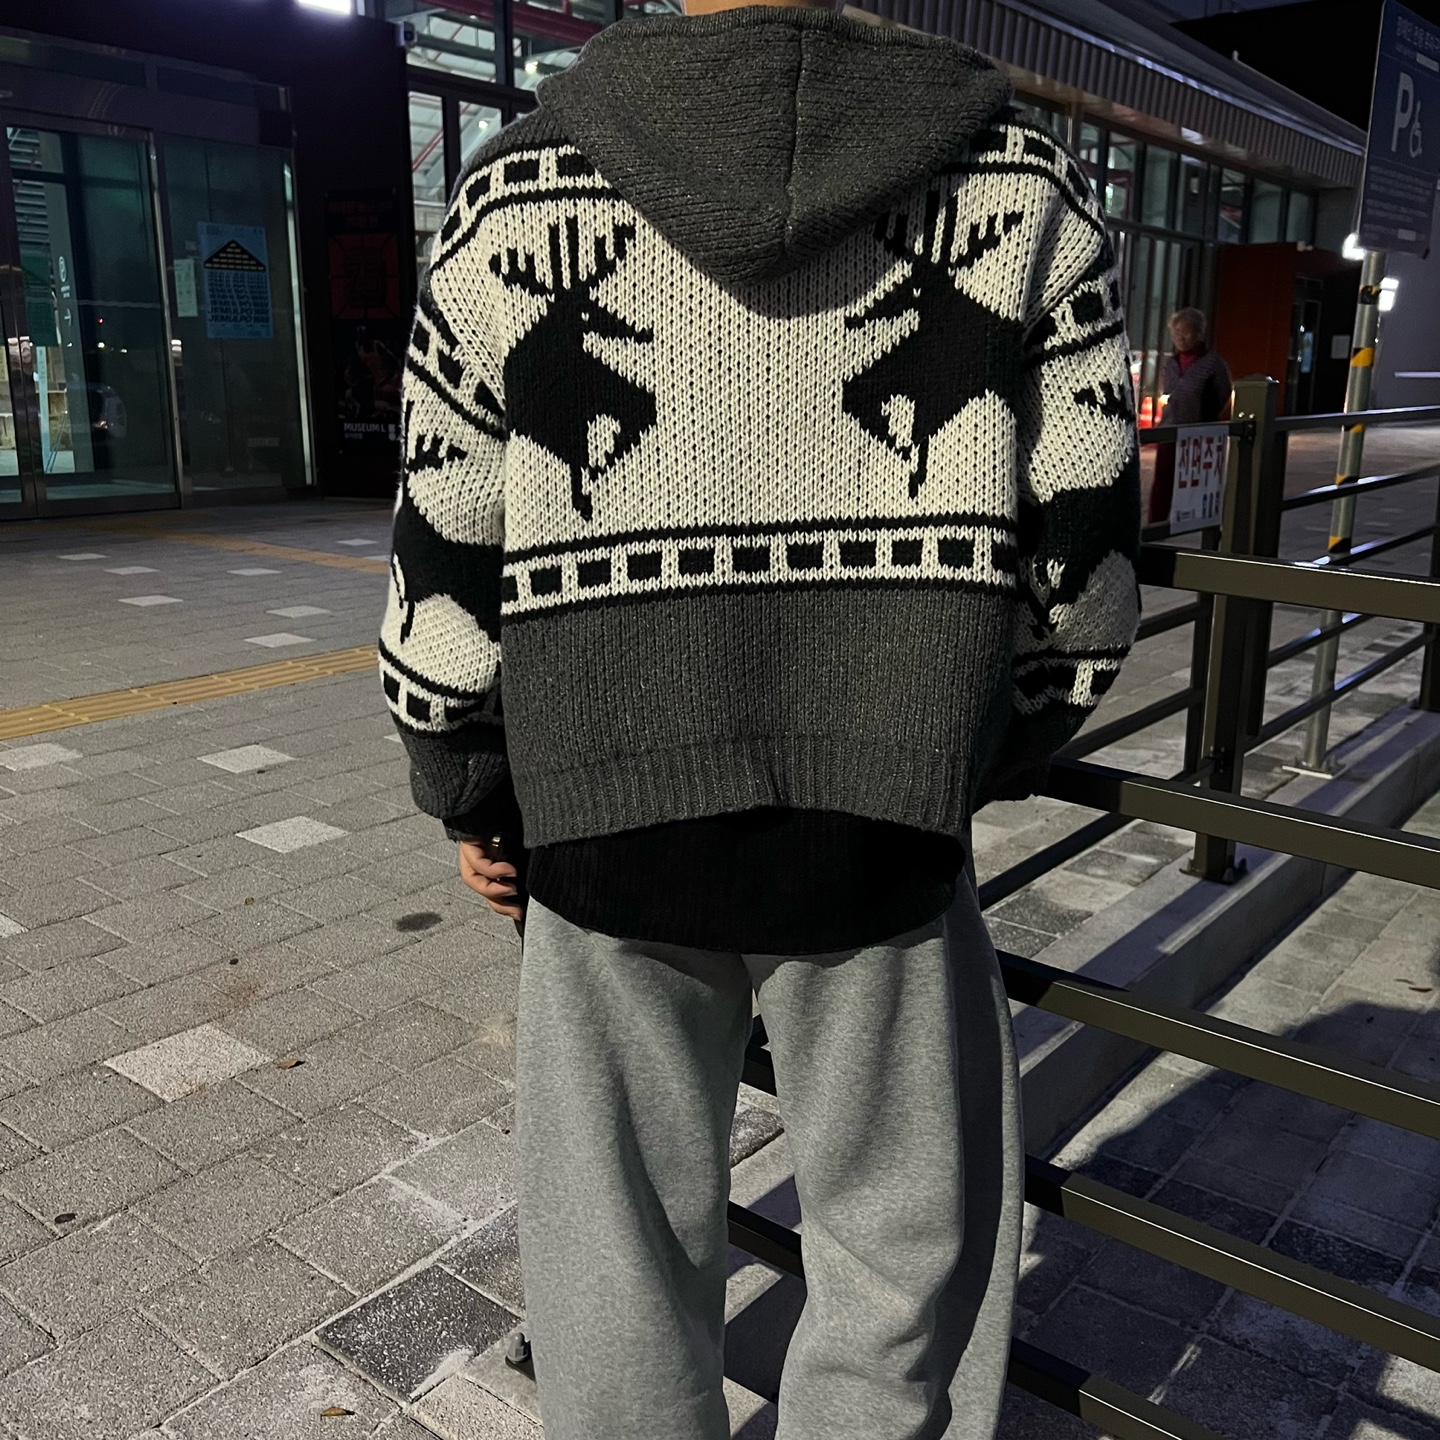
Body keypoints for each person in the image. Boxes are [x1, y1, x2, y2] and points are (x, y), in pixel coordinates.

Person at [378, 1, 1140, 1436]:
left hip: (601, 823)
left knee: (613, 1256)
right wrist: (975, 739)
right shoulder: (1017, 180)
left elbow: (445, 531)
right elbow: (1085, 548)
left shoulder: (511, 189)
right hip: (885, 827)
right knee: (902, 1255)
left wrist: (470, 783)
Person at [1146, 306, 1233, 524]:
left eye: (1185, 332)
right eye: (1176, 333)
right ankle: (1156, 524)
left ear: (1198, 333)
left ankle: (1193, 522)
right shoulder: (1170, 364)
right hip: (1170, 428)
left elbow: (1224, 393)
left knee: (1195, 481)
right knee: (1163, 479)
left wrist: (1207, 415)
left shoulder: (1213, 363)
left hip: (1198, 431)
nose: (1180, 337)